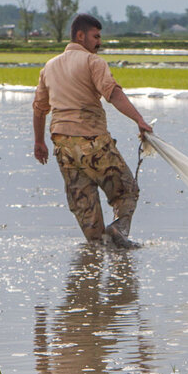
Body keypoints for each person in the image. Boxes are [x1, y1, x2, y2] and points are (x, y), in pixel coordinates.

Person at [32, 13, 153, 247]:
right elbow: (113, 93)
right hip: (93, 142)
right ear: (80, 35)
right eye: (96, 37)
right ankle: (119, 229)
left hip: (63, 148)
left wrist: (39, 143)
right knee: (127, 191)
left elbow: (39, 109)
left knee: (87, 213)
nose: (99, 42)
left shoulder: (49, 67)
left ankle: (96, 257)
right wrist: (139, 119)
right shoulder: (93, 62)